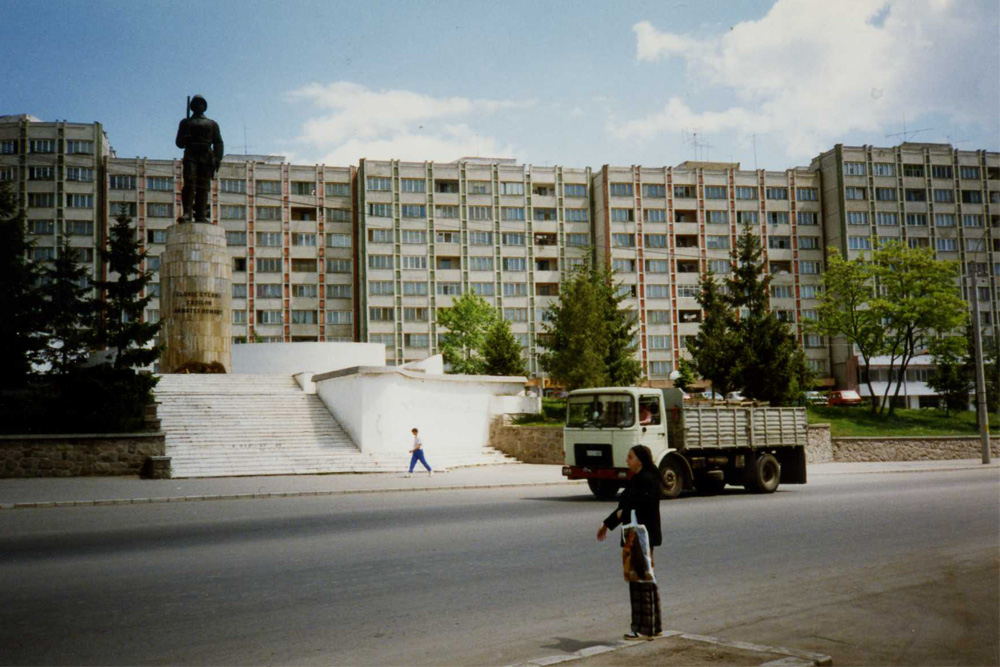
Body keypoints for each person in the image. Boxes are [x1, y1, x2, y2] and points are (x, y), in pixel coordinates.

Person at [597, 445, 663, 640]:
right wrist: (609, 523)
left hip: (640, 536)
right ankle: (653, 627)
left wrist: (612, 520)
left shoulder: (647, 480)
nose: (627, 460)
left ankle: (642, 628)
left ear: (640, 460)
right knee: (646, 579)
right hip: (640, 536)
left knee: (639, 581)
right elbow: (625, 507)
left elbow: (634, 506)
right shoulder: (642, 479)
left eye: (630, 457)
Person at [175, 95, 223, 223]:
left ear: (205, 106)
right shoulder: (185, 123)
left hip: (206, 156)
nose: (199, 105)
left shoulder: (212, 124)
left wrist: (217, 159)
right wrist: (185, 138)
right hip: (191, 154)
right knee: (189, 182)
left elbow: (218, 142)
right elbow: (179, 143)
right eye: (196, 103)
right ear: (192, 107)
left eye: (201, 103)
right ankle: (187, 213)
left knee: (203, 186)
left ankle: (201, 215)